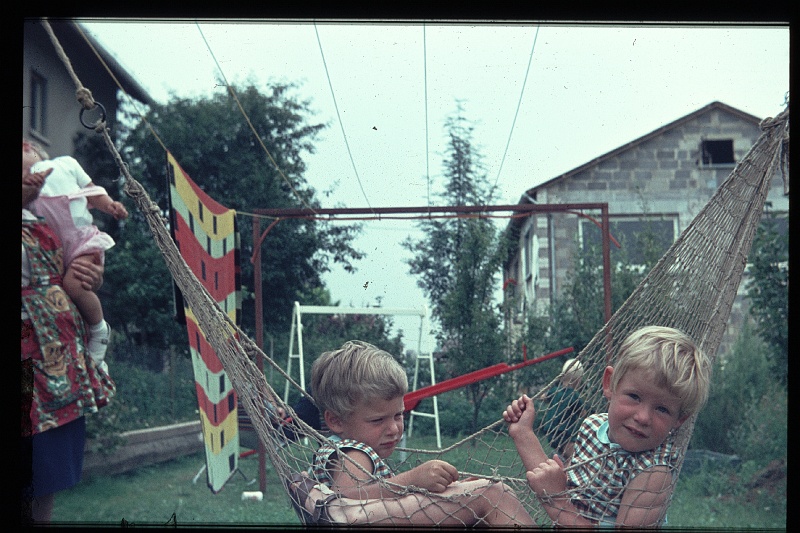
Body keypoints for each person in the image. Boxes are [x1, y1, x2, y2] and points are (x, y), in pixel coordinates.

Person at [291, 340, 535, 526]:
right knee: (494, 494)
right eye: (377, 420)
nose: (394, 428)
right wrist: (412, 480)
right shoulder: (353, 453)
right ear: (335, 420)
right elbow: (347, 501)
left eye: (399, 415)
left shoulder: (346, 448)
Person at [504, 326, 711, 528]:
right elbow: (560, 484)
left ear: (679, 419)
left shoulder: (653, 472)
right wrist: (523, 433)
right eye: (634, 396)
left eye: (662, 409)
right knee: (492, 491)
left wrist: (557, 501)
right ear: (609, 383)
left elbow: (558, 496)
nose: (643, 417)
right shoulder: (592, 426)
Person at [22, 158, 116, 524]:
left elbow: (72, 263)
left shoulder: (43, 217)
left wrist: (91, 273)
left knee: (44, 469)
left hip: (55, 358)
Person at [23, 138, 128, 370]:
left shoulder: (64, 165)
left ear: (26, 147)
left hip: (82, 242)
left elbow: (92, 191)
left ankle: (98, 331)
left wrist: (109, 205)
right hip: (34, 322)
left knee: (75, 285)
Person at [537, 358, 586, 461]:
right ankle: (559, 459)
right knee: (575, 458)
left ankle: (558, 457)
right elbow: (583, 413)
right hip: (565, 434)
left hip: (550, 432)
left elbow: (543, 397)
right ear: (578, 379)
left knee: (565, 455)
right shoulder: (574, 396)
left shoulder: (555, 391)